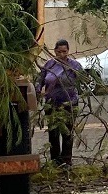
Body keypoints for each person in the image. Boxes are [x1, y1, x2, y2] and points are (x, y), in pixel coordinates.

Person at [35, 39, 83, 168]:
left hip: (69, 103)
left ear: (68, 51)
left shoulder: (74, 65)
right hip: (52, 103)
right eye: (59, 52)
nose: (62, 54)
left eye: (64, 51)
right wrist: (38, 90)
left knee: (67, 132)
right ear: (55, 51)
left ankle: (67, 160)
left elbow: (82, 80)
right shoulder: (49, 65)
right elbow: (40, 79)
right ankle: (55, 160)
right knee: (53, 132)